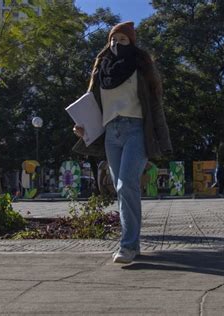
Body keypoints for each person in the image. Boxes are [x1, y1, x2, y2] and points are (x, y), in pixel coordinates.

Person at [72, 21, 172, 264]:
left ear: (132, 43)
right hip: (111, 134)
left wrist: (164, 140)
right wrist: (82, 127)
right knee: (121, 188)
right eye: (113, 40)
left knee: (126, 183)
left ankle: (127, 246)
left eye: (122, 40)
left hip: (136, 129)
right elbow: (92, 105)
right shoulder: (101, 71)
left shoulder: (141, 69)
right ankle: (133, 244)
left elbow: (156, 107)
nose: (116, 44)